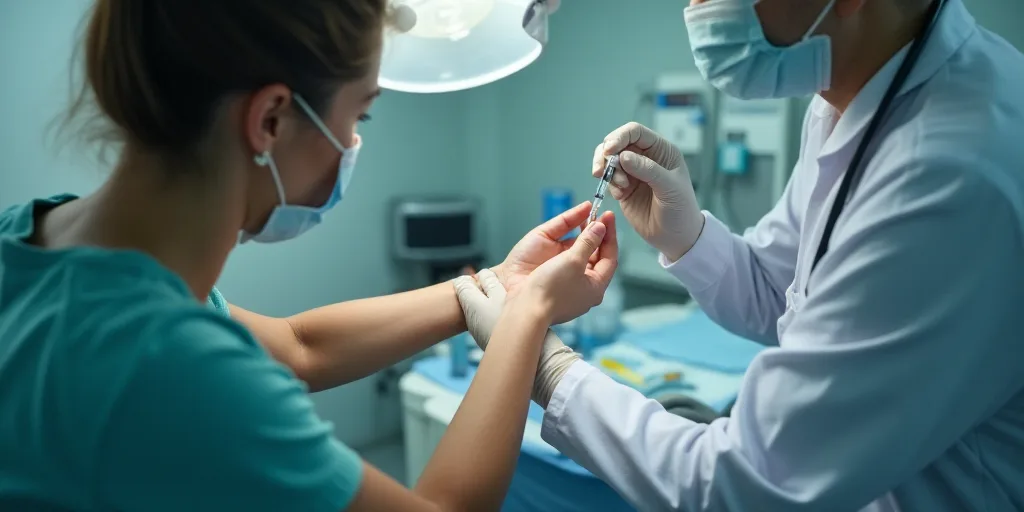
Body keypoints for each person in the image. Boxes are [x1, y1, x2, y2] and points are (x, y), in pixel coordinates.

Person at [0, 1, 620, 510]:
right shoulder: (167, 363)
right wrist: (529, 314)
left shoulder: (34, 237)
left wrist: (497, 285)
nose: (351, 144)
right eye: (360, 114)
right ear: (270, 119)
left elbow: (299, 348)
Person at [456, 0, 1024, 510]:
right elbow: (787, 293)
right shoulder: (850, 102)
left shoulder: (946, 172)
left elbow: (747, 486)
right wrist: (685, 235)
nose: (696, 8)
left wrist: (543, 364)